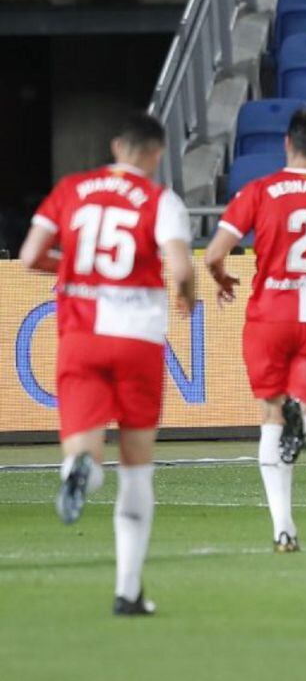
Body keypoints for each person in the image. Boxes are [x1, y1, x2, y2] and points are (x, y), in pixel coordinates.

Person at [18, 112, 195, 615]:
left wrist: (70, 266)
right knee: (137, 469)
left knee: (84, 449)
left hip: (82, 335)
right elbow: (180, 267)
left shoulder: (72, 188)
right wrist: (189, 296)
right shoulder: (163, 201)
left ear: (117, 146)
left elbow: (32, 255)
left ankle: (78, 471)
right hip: (136, 338)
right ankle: (128, 590)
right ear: (156, 154)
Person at [204, 109, 306, 553]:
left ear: (287, 144)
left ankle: (283, 528)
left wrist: (221, 277)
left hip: (269, 315)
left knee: (271, 418)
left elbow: (213, 253)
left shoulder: (259, 190)